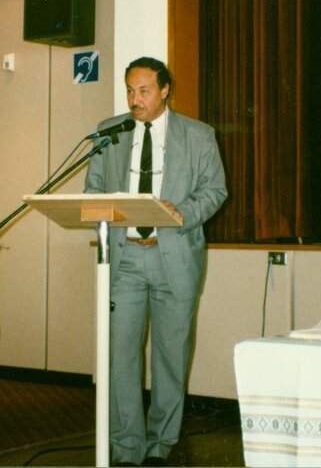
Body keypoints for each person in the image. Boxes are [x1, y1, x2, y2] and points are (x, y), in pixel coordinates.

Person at [84, 56, 228, 467]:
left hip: (174, 257)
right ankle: (126, 449)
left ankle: (160, 446)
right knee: (120, 357)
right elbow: (93, 188)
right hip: (125, 258)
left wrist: (182, 212)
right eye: (130, 90)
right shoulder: (110, 132)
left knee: (170, 357)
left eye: (144, 90)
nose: (135, 99)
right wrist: (106, 207)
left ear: (165, 89)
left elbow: (215, 190)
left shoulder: (198, 135)